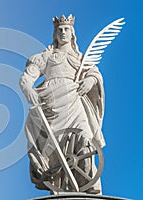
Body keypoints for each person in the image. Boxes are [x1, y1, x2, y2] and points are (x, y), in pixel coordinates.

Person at [19, 14, 105, 194]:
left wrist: (90, 80)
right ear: (55, 34)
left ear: (72, 34)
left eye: (67, 29)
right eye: (60, 30)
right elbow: (27, 77)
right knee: (55, 152)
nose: (63, 32)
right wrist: (28, 89)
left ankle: (88, 186)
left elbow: (94, 73)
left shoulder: (81, 58)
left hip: (75, 102)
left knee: (85, 138)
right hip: (52, 104)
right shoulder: (47, 56)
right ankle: (61, 188)